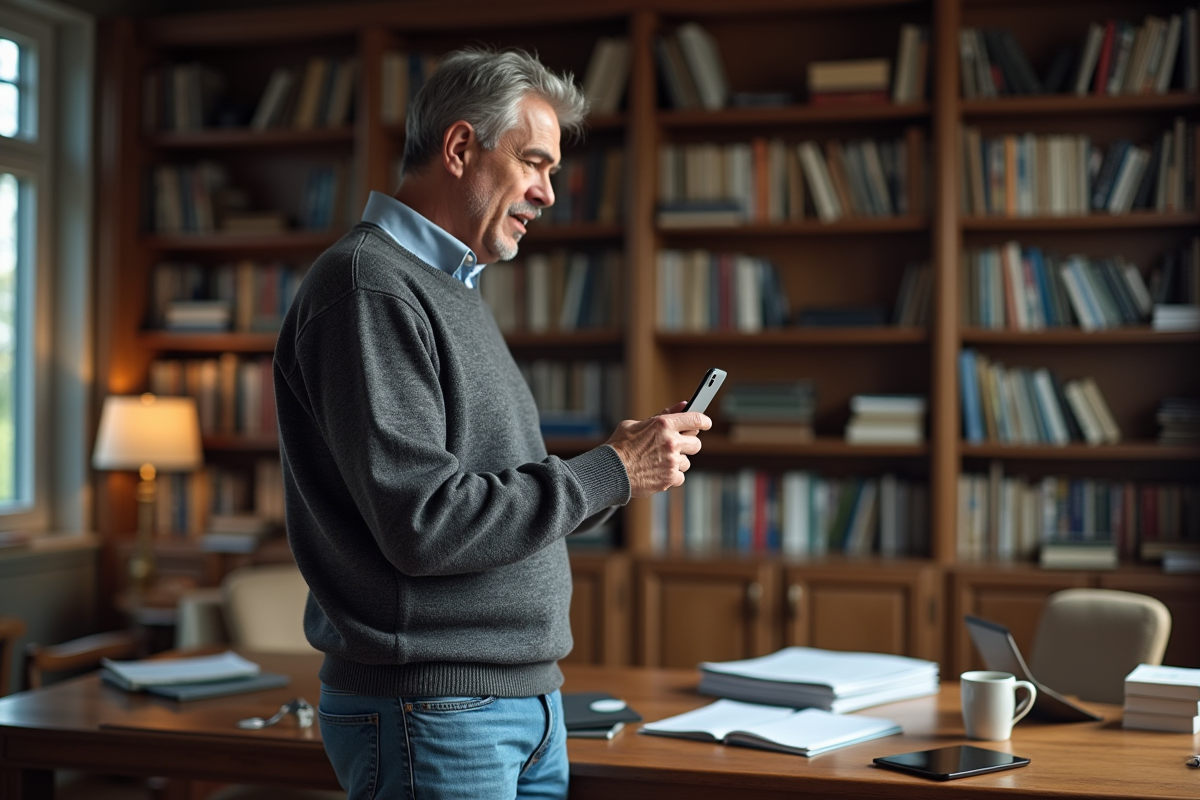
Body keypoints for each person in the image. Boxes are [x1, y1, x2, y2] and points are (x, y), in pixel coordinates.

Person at [273, 48, 709, 800]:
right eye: (534, 163)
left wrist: (622, 466)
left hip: (516, 702)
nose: (546, 193)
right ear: (460, 147)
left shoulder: (449, 287)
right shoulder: (369, 289)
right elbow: (426, 522)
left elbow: (481, 493)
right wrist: (611, 470)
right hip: (436, 707)